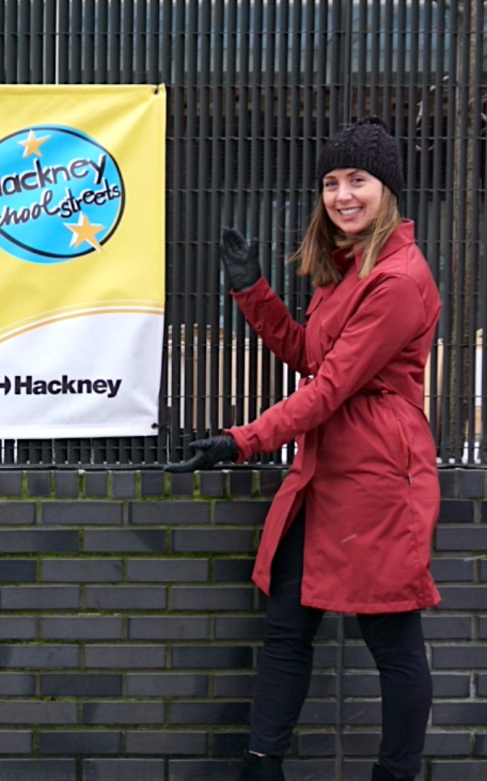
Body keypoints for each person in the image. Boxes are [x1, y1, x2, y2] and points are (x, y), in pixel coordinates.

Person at [166, 116, 441, 781]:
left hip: (377, 477)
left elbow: (331, 387)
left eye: (357, 180)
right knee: (287, 628)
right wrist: (251, 292)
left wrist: (242, 441)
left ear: (388, 188)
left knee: (392, 642)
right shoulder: (344, 269)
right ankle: (261, 767)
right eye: (330, 181)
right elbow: (308, 355)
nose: (342, 194)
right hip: (324, 470)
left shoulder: (399, 278)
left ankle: (394, 774)